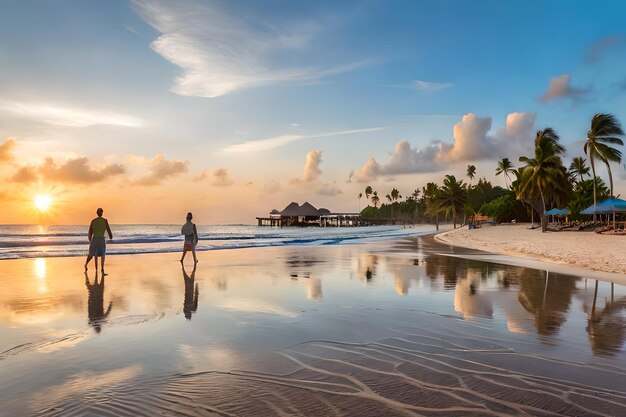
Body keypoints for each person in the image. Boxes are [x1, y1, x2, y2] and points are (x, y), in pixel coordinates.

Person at [84, 208, 113, 274]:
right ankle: (101, 269)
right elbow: (108, 229)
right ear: (102, 213)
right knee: (102, 254)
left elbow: (90, 232)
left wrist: (90, 239)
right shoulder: (105, 220)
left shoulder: (93, 221)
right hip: (101, 239)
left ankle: (87, 265)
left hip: (95, 239)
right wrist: (111, 236)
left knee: (92, 254)